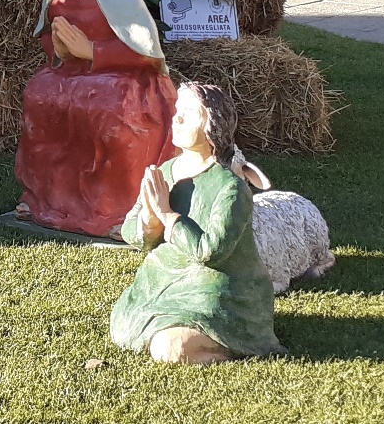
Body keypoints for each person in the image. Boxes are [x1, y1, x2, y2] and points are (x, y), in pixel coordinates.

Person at [12, 0, 177, 239]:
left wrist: (93, 51)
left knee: (107, 106)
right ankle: (45, 198)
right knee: (40, 93)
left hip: (124, 77)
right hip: (71, 73)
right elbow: (48, 35)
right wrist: (57, 49)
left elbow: (145, 53)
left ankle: (118, 207)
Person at [110, 82, 284, 365]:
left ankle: (228, 340)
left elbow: (211, 252)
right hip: (163, 282)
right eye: (177, 110)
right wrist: (149, 220)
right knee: (121, 325)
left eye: (188, 113)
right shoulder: (166, 171)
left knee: (170, 349)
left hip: (218, 291)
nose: (176, 118)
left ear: (211, 125)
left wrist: (168, 216)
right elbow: (132, 231)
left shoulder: (231, 188)